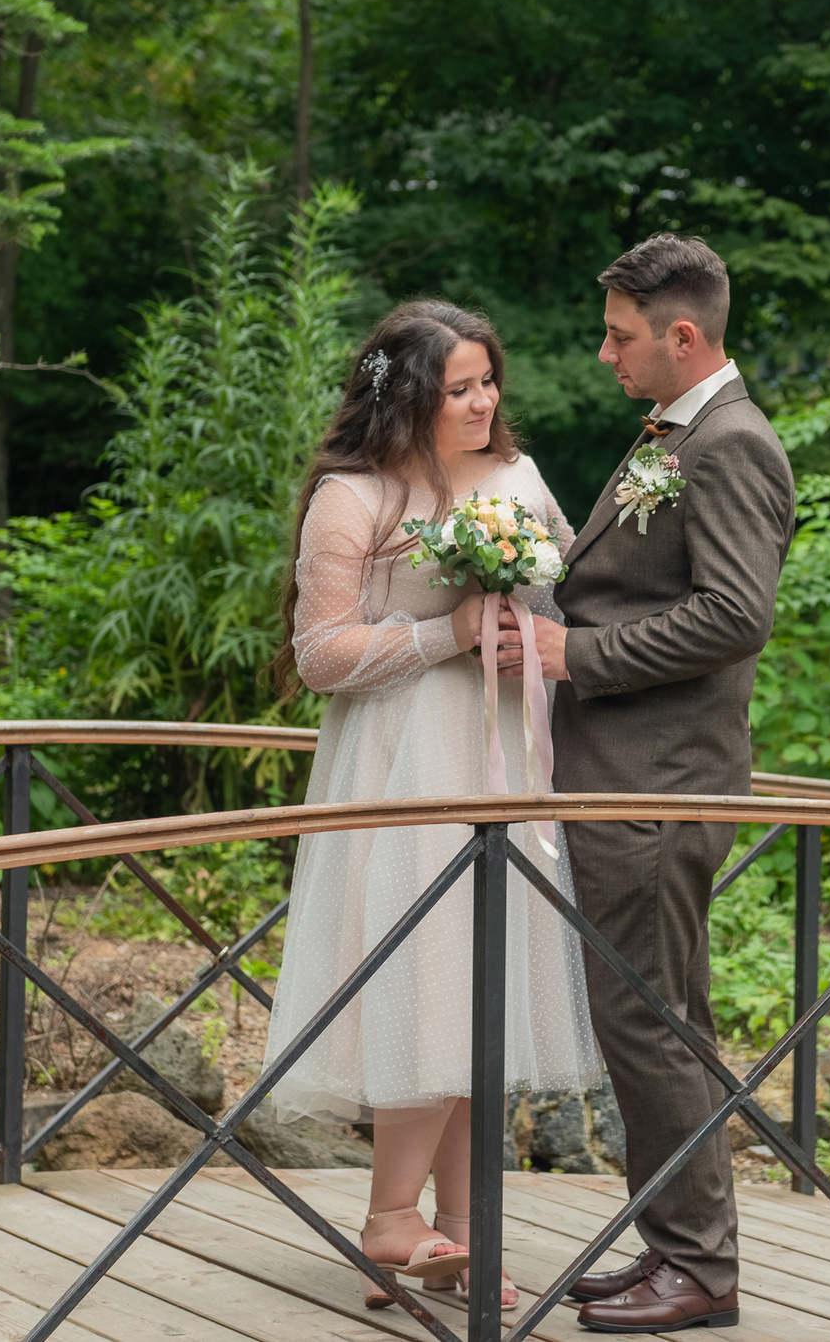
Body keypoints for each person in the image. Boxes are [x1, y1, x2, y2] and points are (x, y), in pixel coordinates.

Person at [260, 299, 600, 1313]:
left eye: (489, 381)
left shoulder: (520, 481)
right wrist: (448, 633)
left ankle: (459, 1232)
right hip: (403, 764)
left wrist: (531, 633)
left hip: (504, 757)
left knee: (485, 987)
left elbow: (565, 597)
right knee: (429, 970)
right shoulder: (353, 494)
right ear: (407, 392)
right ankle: (392, 1217)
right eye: (461, 387)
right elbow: (320, 655)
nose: (484, 401)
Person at [494, 234, 796, 1334]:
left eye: (621, 334)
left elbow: (733, 614)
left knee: (653, 1020)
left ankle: (701, 1269)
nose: (605, 351)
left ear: (683, 334)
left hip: (656, 784)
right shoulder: (678, 433)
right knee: (649, 1018)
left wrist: (577, 655)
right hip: (628, 774)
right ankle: (675, 1244)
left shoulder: (728, 444)